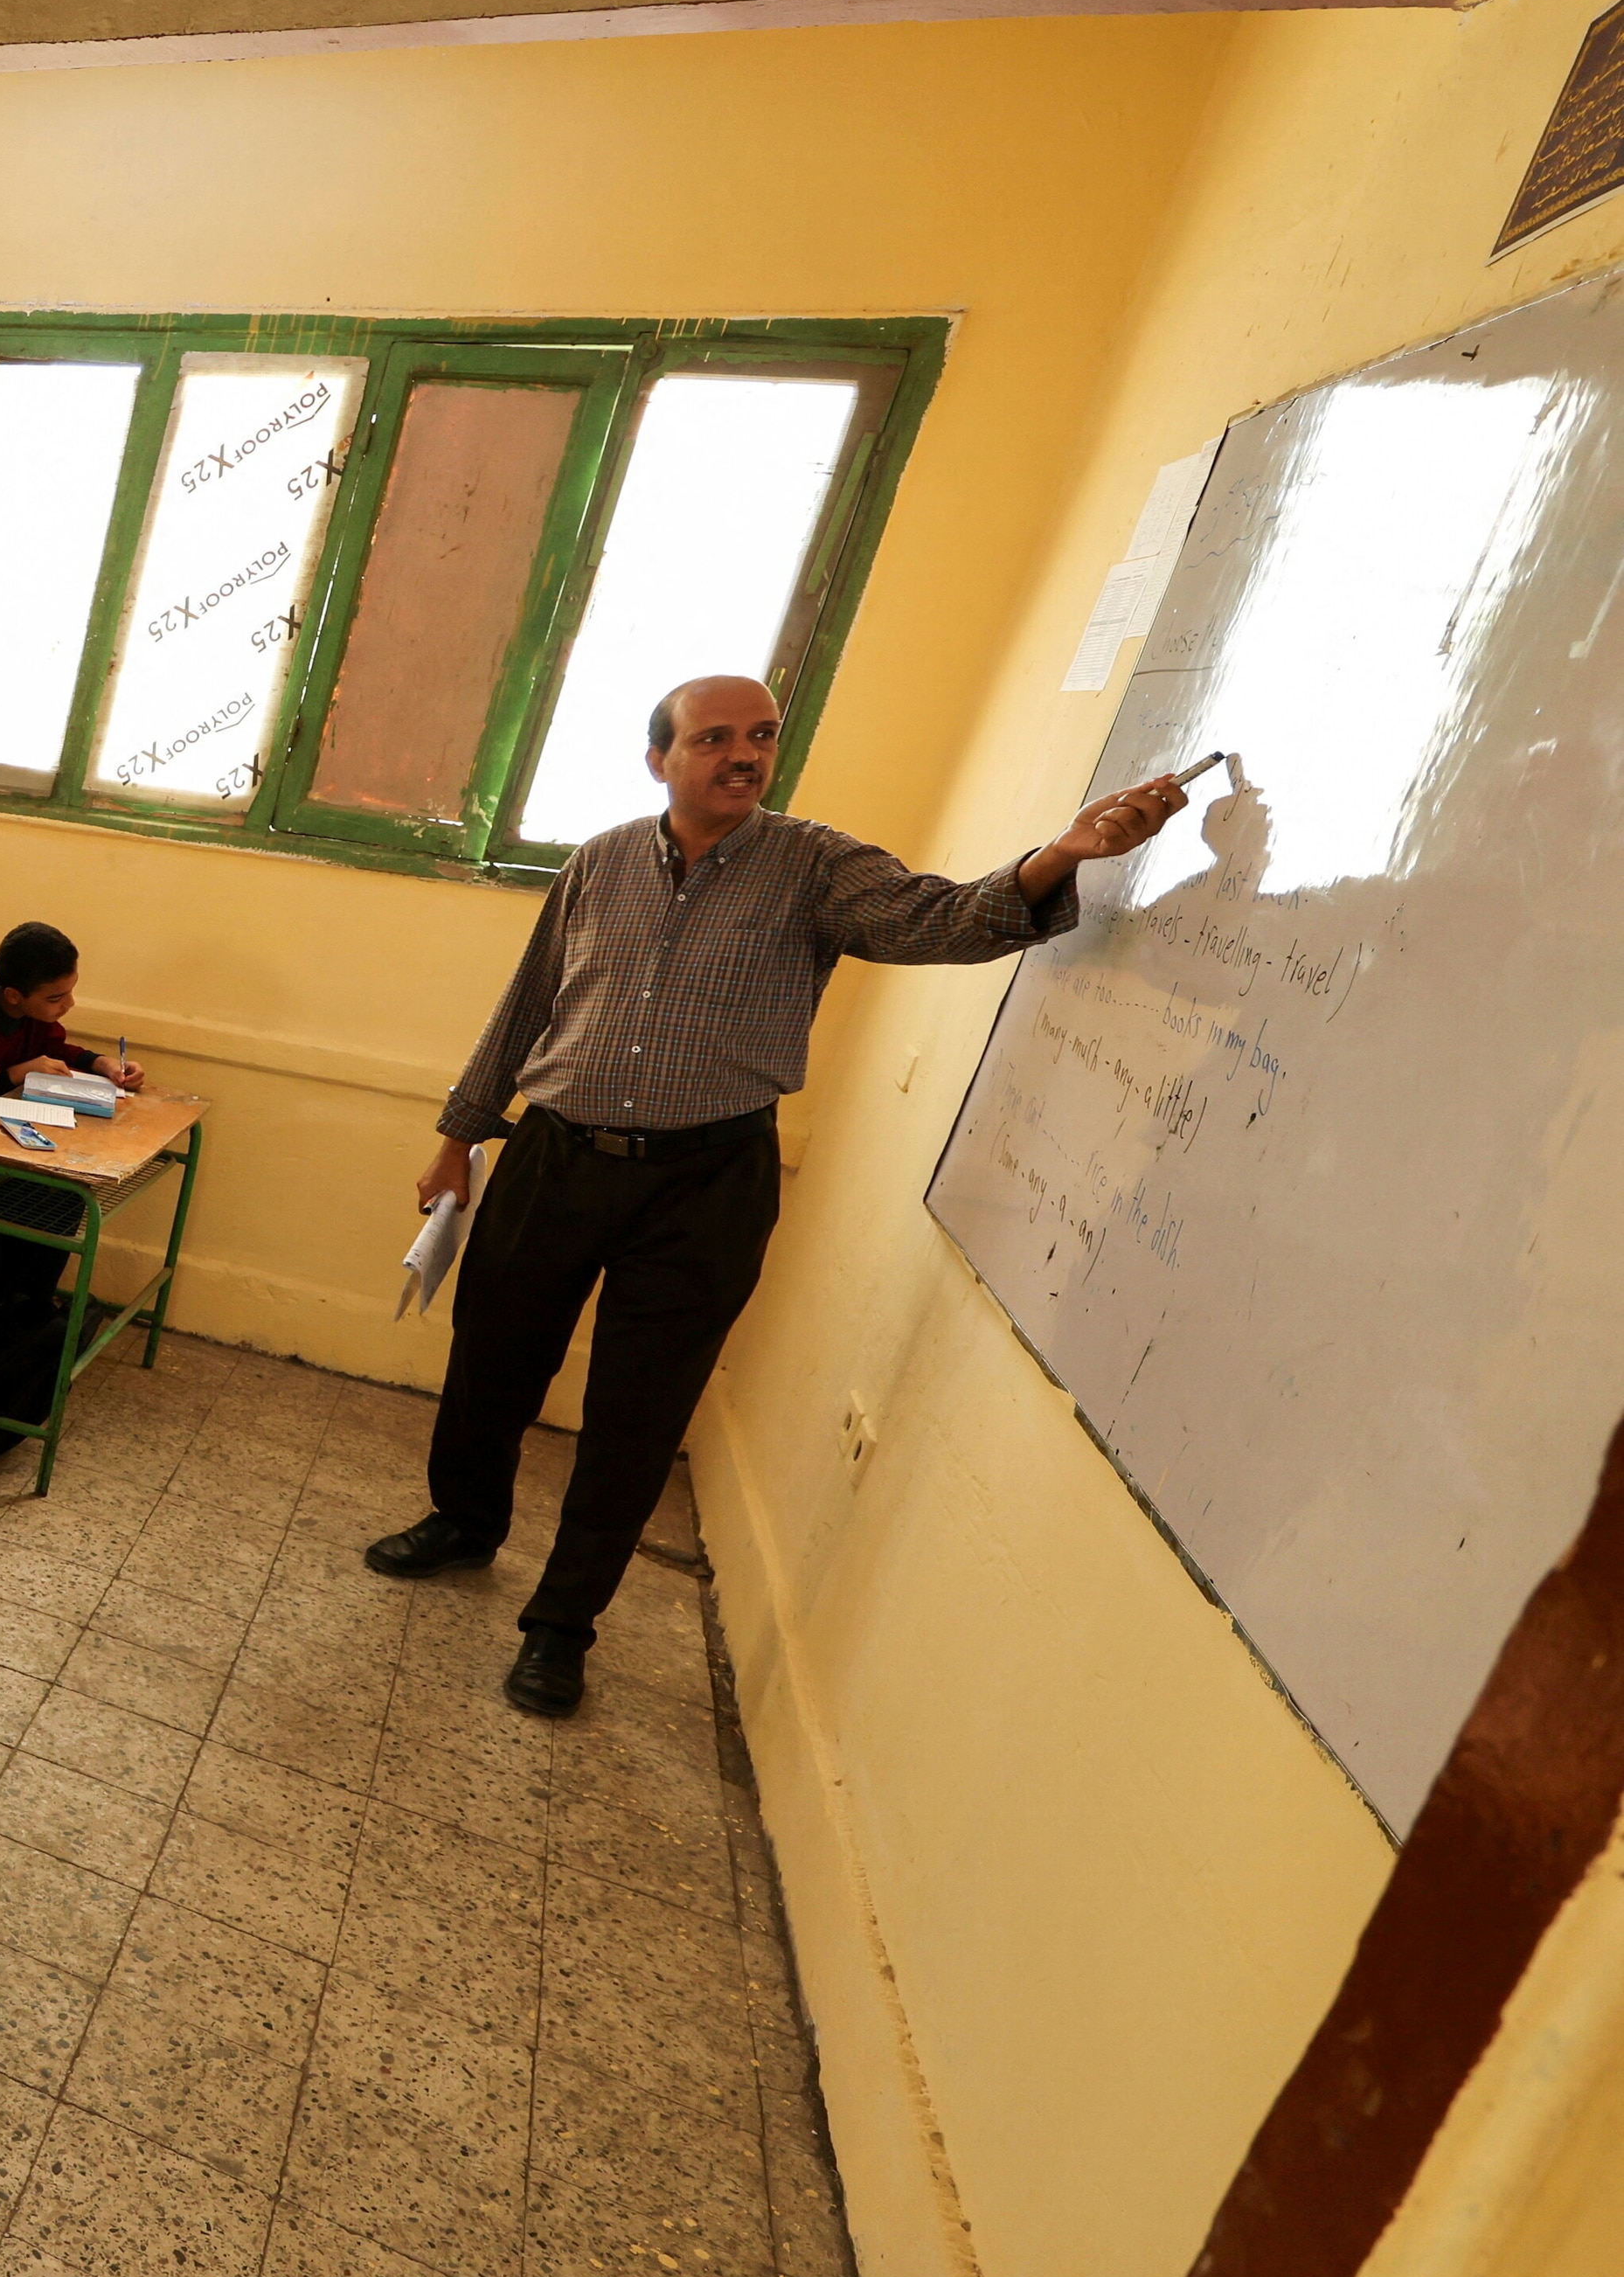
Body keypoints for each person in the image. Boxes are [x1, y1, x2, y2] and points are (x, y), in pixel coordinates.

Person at [371, 674, 1194, 1718]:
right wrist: (458, 1135)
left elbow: (936, 921)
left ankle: (559, 1626)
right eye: (712, 738)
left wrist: (1060, 856)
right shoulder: (601, 861)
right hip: (554, 1154)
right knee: (490, 1356)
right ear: (657, 758)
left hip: (706, 1181)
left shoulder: (812, 865)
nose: (742, 755)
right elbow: (530, 1000)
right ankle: (463, 1523)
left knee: (637, 1411)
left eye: (758, 736)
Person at [0, 922, 153, 1103]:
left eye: (70, 991)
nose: (69, 1003)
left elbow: (56, 1049)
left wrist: (104, 1064)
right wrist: (16, 1075)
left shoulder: (33, 1014)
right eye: (56, 998)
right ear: (14, 996)